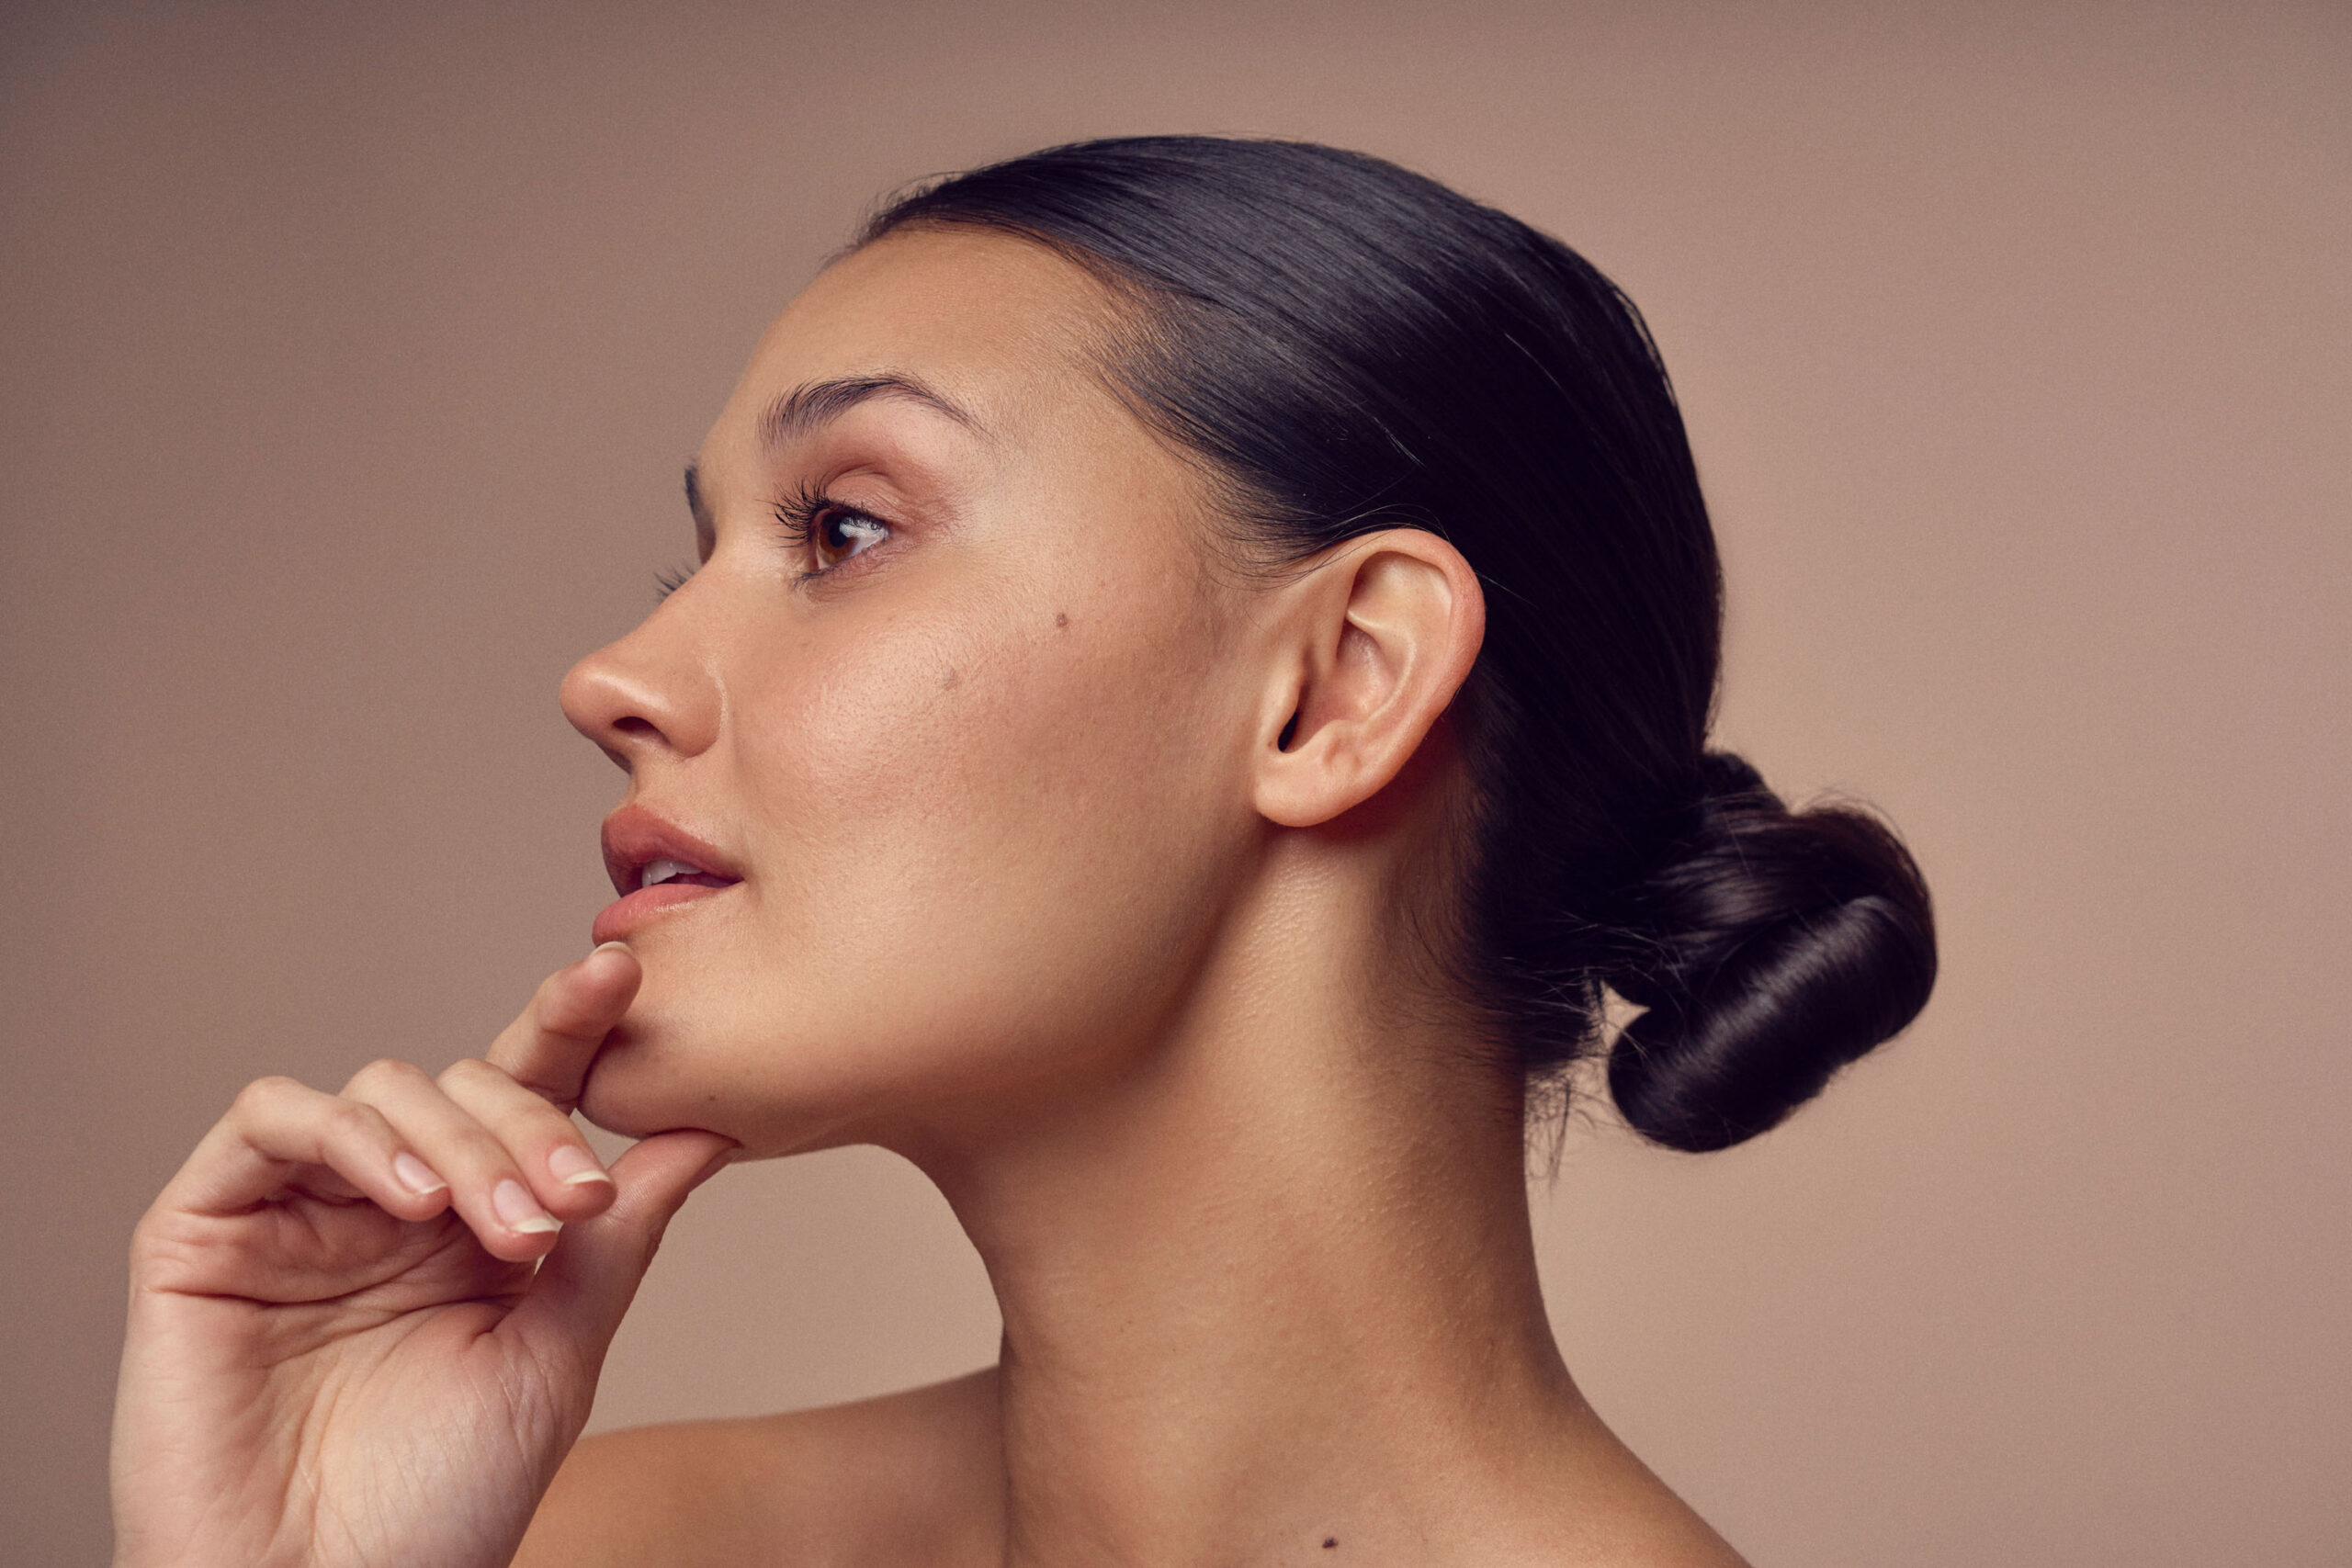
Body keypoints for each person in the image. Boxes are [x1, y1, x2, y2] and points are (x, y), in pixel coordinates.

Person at [108, 136, 1936, 1567]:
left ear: (1331, 688)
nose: (613, 677)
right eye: (694, 562)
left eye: (841, 527)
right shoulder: (538, 1545)